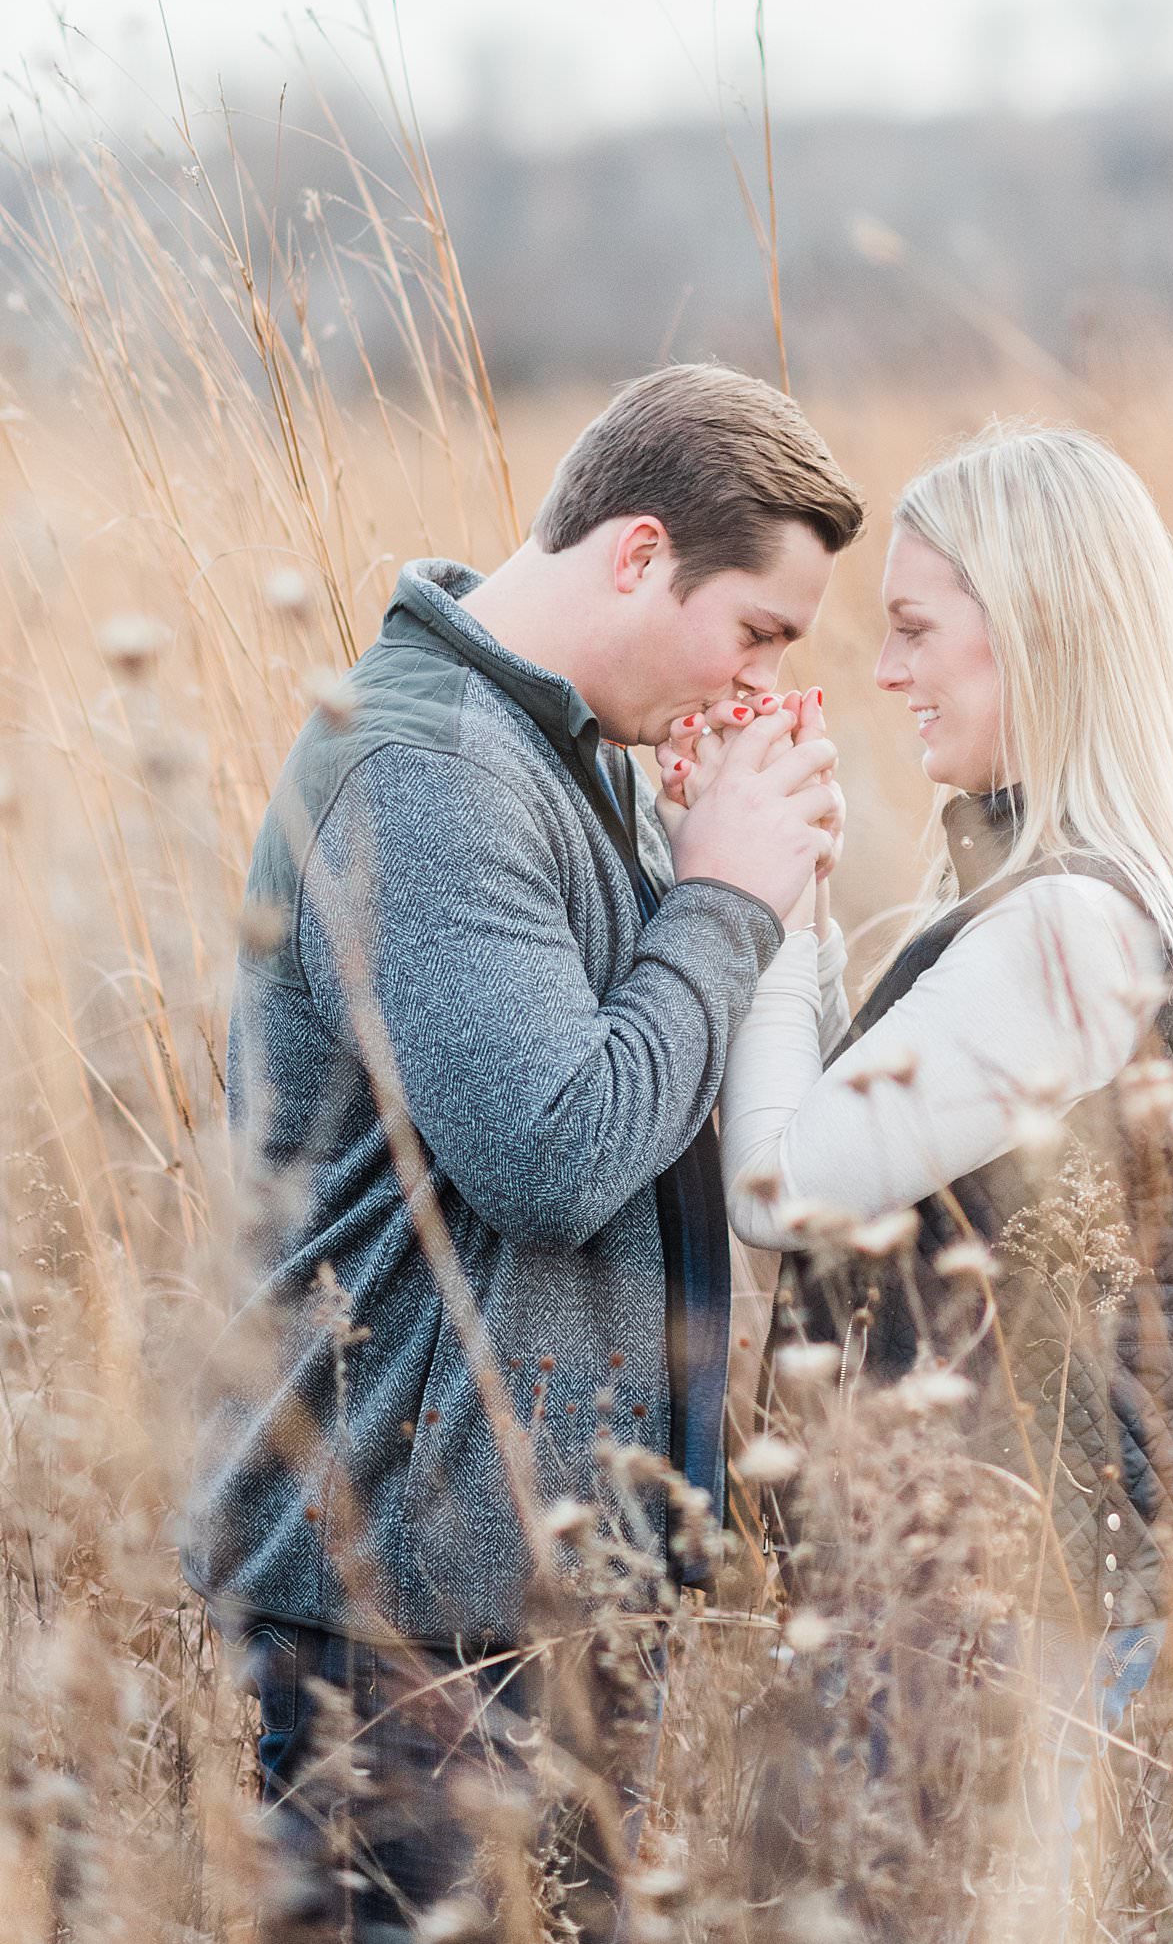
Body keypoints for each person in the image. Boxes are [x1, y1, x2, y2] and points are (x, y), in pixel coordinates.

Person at [180, 363, 864, 1941]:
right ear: (636, 555)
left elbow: (631, 1087)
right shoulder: (430, 768)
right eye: (756, 632)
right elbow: (553, 1151)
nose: (760, 686)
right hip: (409, 1599)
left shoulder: (562, 752)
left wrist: (722, 881)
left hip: (523, 1578)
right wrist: (723, 898)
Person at [659, 418, 1173, 1915]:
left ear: (1040, 634)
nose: (886, 673)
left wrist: (765, 906)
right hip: (992, 1592)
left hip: (1011, 1606)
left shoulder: (1075, 931)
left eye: (918, 629)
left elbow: (787, 1188)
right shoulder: (1052, 907)